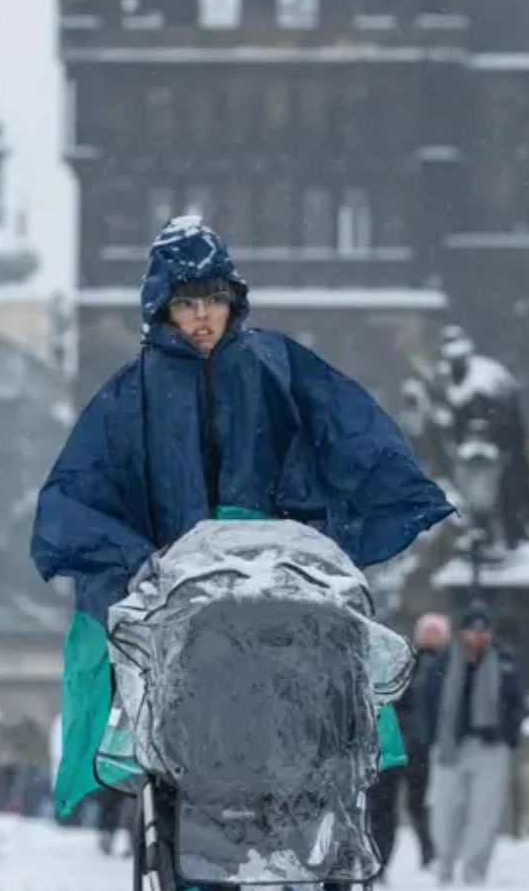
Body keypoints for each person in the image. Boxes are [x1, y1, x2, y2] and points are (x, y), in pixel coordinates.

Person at [30, 213, 452, 825]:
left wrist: (333, 522)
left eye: (214, 301)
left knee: (288, 715)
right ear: (162, 310)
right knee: (197, 728)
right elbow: (80, 495)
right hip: (182, 601)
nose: (202, 317)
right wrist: (136, 558)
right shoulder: (130, 396)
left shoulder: (274, 367)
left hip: (270, 585)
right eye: (186, 303)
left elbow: (344, 431)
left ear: (234, 302)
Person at [417, 603, 524, 886]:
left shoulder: (503, 662)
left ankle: (475, 869)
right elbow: (428, 702)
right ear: (462, 632)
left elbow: (516, 702)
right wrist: (429, 737)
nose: (478, 636)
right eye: (473, 630)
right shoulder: (443, 663)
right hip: (451, 745)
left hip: (489, 744)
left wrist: (510, 733)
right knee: (445, 809)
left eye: (484, 630)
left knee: (485, 812)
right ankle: (446, 861)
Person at [403, 612, 451, 869]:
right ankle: (428, 848)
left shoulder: (448, 665)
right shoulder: (408, 662)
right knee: (415, 802)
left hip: (427, 742)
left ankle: (430, 848)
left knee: (422, 801)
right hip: (410, 741)